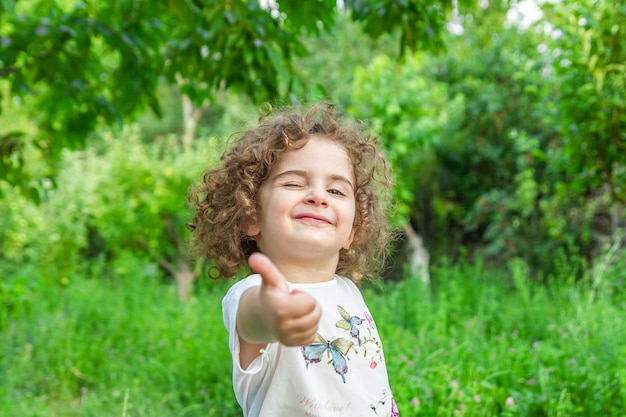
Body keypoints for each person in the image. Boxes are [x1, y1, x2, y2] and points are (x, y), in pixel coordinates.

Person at [188, 101, 400, 417]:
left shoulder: (347, 291)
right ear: (250, 215)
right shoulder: (253, 294)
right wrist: (272, 313)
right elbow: (253, 319)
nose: (318, 196)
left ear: (352, 231)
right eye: (294, 183)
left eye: (337, 191)